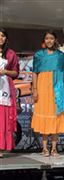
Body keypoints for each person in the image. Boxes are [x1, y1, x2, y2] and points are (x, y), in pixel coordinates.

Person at [31, 30, 64, 157]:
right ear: (44, 40)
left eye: (51, 38)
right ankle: (44, 148)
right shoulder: (39, 55)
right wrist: (35, 90)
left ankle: (54, 148)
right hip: (42, 87)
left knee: (55, 115)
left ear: (55, 40)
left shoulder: (60, 56)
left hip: (56, 88)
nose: (49, 40)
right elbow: (35, 72)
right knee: (45, 114)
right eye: (47, 38)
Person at [0, 28, 19, 157]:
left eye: (2, 36)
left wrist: (5, 72)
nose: (0, 38)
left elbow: (16, 72)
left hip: (4, 90)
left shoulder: (11, 54)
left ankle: (1, 147)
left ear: (6, 38)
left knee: (3, 119)